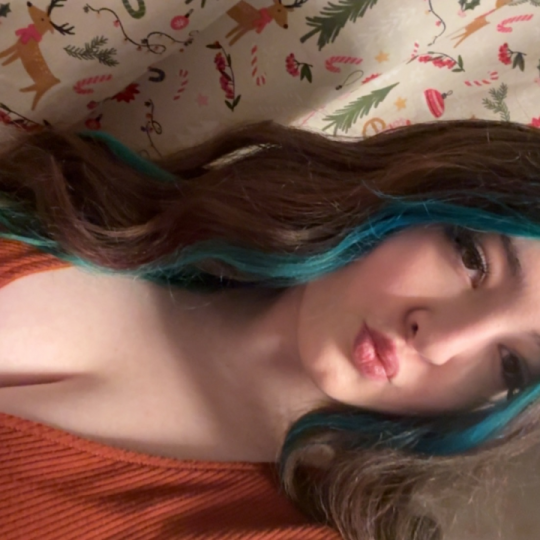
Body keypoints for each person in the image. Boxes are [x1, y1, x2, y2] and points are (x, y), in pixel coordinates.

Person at [0, 118, 539, 540]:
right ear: (421, 191)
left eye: (511, 365)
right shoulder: (86, 200)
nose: (439, 342)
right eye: (473, 258)